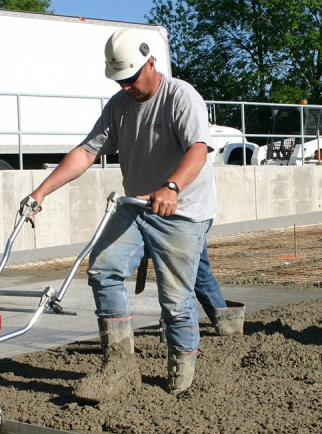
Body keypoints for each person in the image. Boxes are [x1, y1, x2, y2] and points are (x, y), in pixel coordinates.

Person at [24, 28, 215, 402]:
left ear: (150, 62)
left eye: (131, 78)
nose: (126, 86)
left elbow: (199, 149)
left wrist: (172, 187)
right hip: (136, 207)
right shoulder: (118, 105)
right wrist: (40, 192)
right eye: (119, 80)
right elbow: (86, 151)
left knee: (175, 301)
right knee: (102, 269)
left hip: (182, 212)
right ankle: (120, 364)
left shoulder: (180, 96)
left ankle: (181, 377)